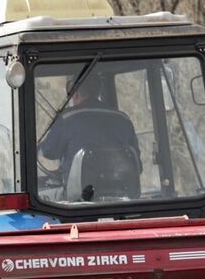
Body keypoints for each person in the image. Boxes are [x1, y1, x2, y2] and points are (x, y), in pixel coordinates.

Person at [36, 71, 139, 199]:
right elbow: (137, 164)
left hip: (77, 197)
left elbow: (48, 152)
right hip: (121, 195)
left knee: (39, 197)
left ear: (76, 94)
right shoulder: (123, 119)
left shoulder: (67, 118)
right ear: (99, 92)